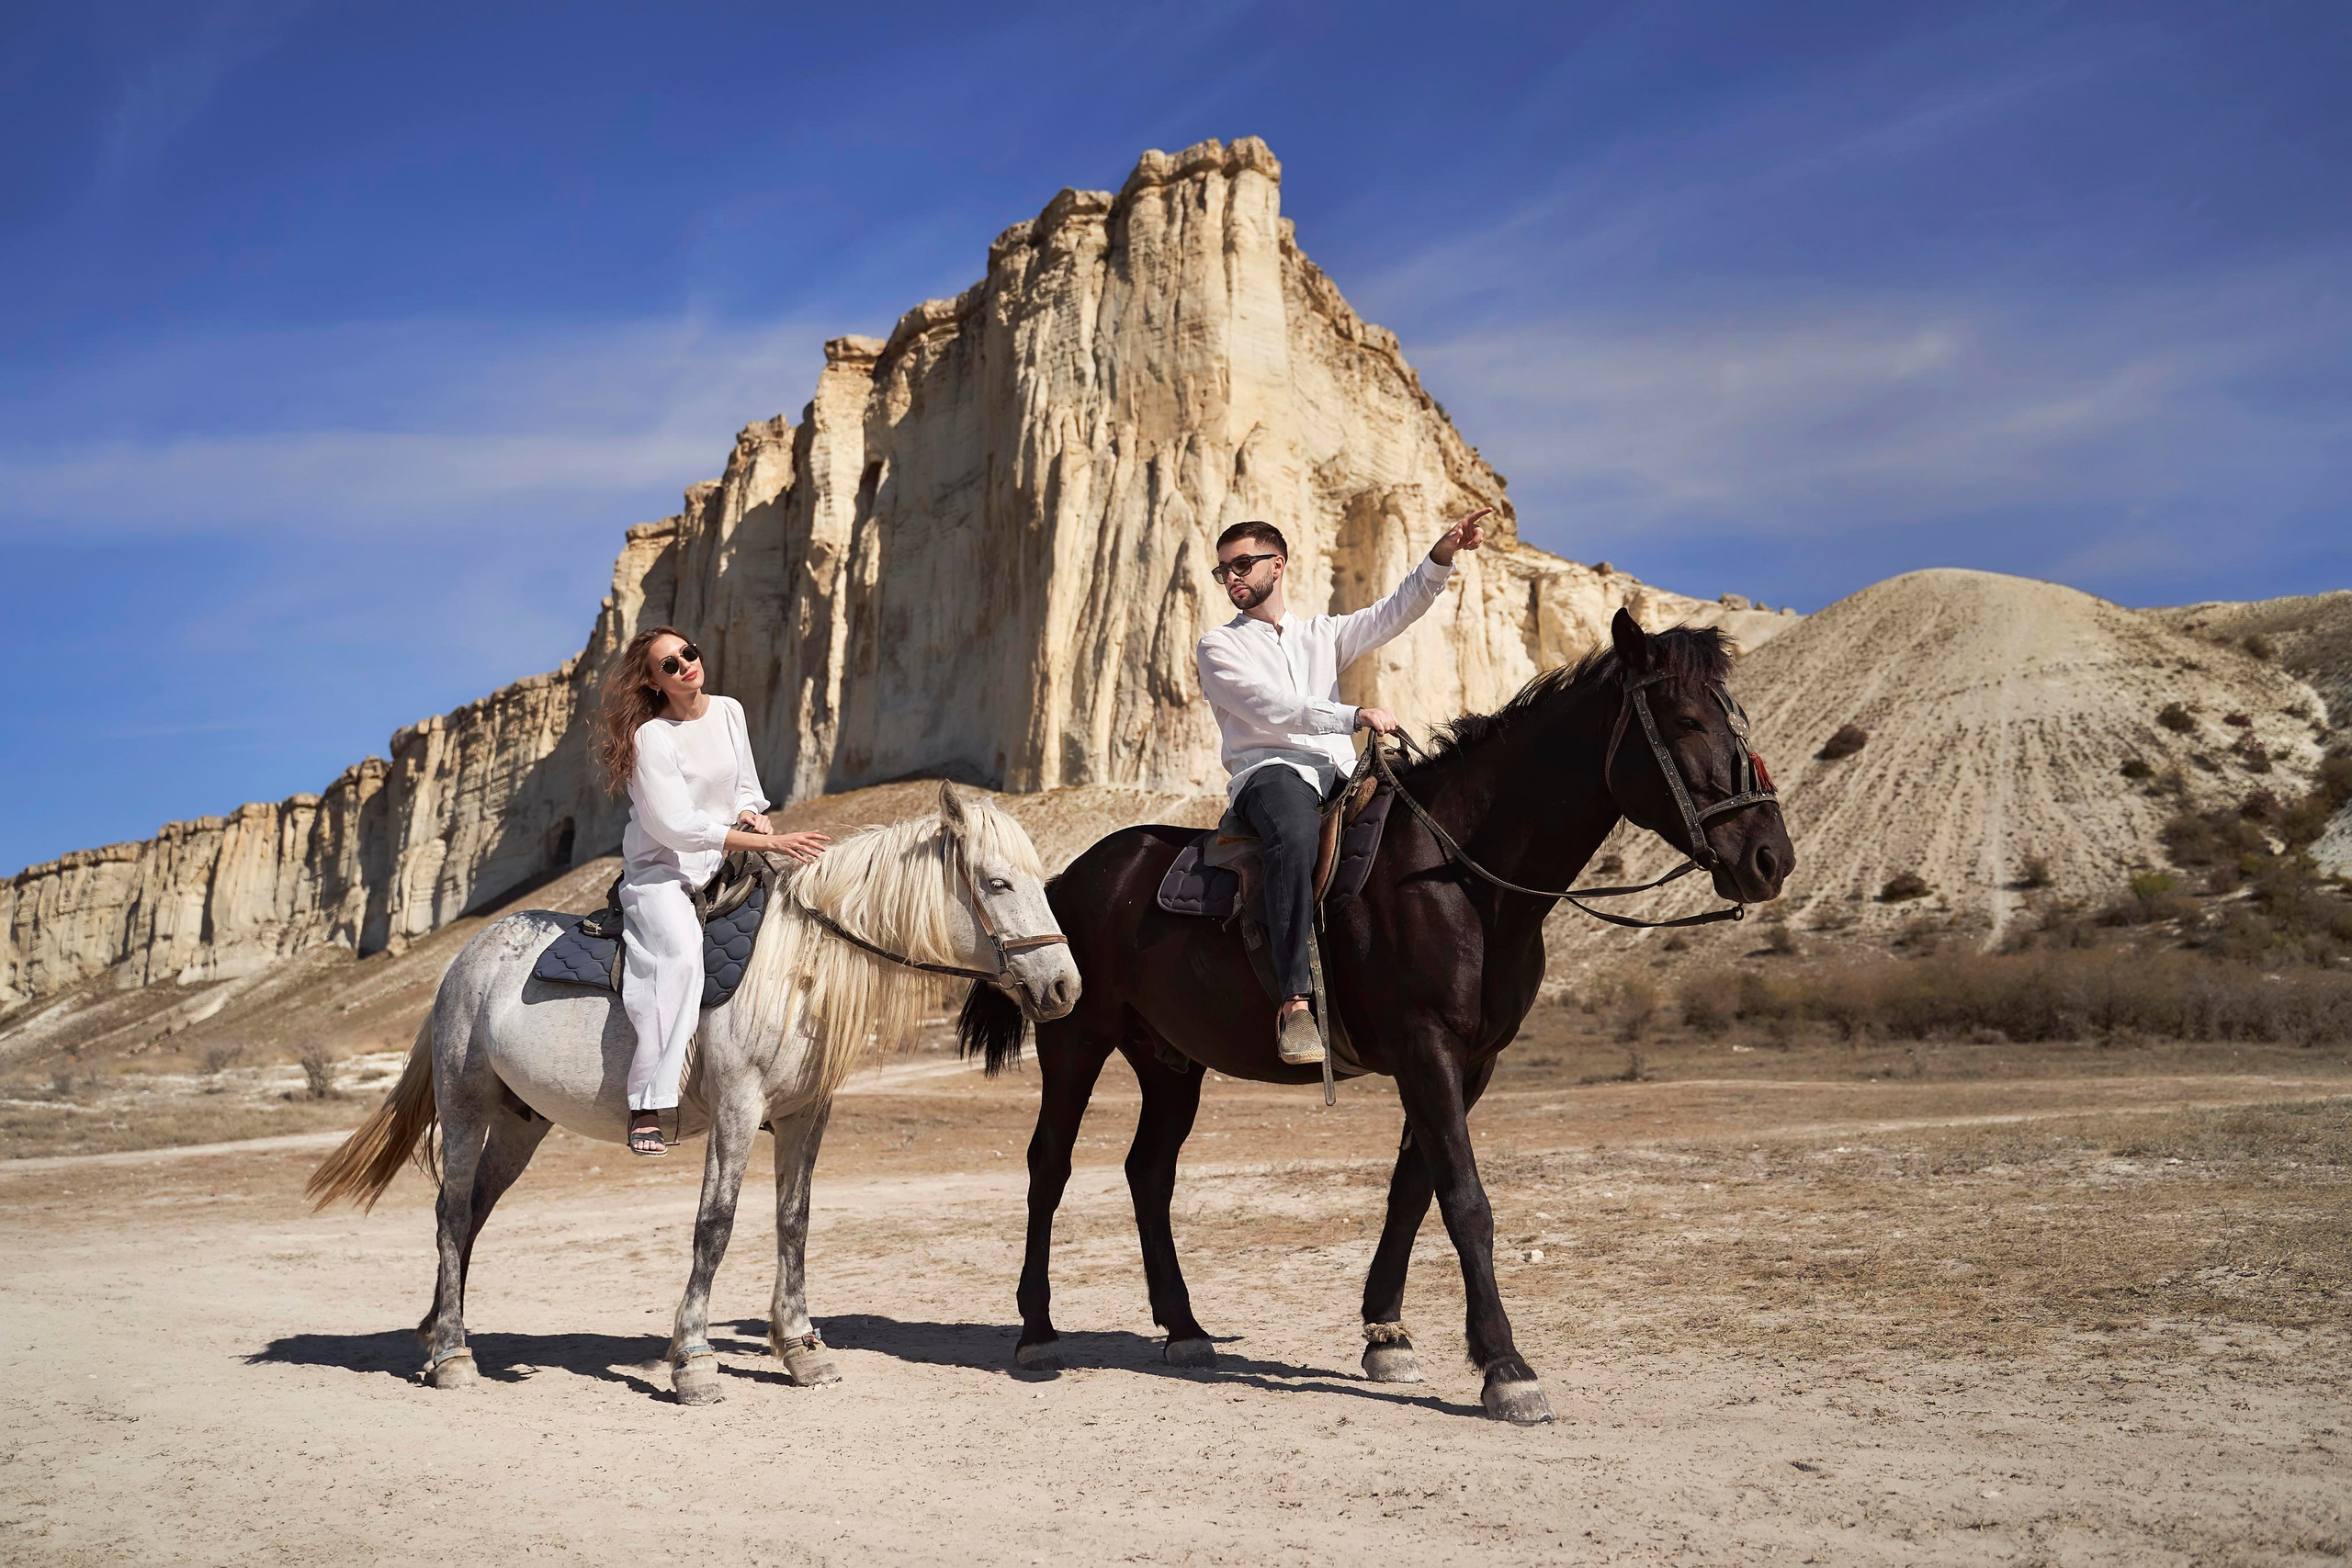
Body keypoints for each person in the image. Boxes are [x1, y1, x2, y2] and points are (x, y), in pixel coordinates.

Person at [1193, 508, 1491, 1065]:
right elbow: (1266, 706)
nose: (1231, 578)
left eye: (1241, 565)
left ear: (1276, 566)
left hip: (1342, 773)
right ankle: (1295, 1004)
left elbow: (1394, 613)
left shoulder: (1321, 634)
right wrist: (1349, 715)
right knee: (1296, 838)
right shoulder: (1219, 646)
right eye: (1223, 571)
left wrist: (1442, 556)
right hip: (1272, 773)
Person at [593, 627, 831, 1156]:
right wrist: (773, 838)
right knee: (678, 958)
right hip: (663, 872)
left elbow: (745, 783)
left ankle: (765, 1083)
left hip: (725, 862)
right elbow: (676, 825)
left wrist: (750, 811)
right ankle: (647, 1105)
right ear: (653, 682)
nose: (685, 666)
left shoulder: (729, 710)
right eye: (668, 665)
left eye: (687, 653)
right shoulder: (651, 738)